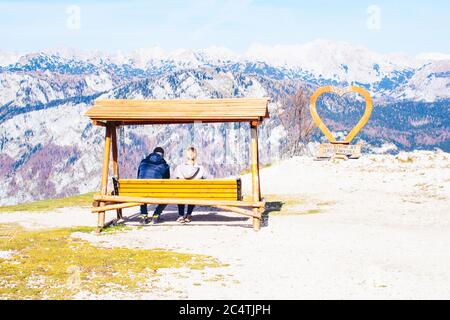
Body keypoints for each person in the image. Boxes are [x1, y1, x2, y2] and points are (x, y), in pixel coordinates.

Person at [174, 147, 208, 223]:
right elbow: (206, 180)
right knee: (193, 192)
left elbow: (174, 180)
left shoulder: (179, 168)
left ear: (186, 156)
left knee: (180, 191)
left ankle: (181, 215)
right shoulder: (201, 168)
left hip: (181, 194)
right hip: (194, 194)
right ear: (195, 156)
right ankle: (188, 214)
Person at [137, 146, 170, 224]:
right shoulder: (164, 165)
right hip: (156, 191)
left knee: (143, 189)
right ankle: (156, 214)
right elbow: (166, 180)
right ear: (162, 155)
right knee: (168, 195)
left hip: (141, 191)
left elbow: (139, 176)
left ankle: (144, 214)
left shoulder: (143, 162)